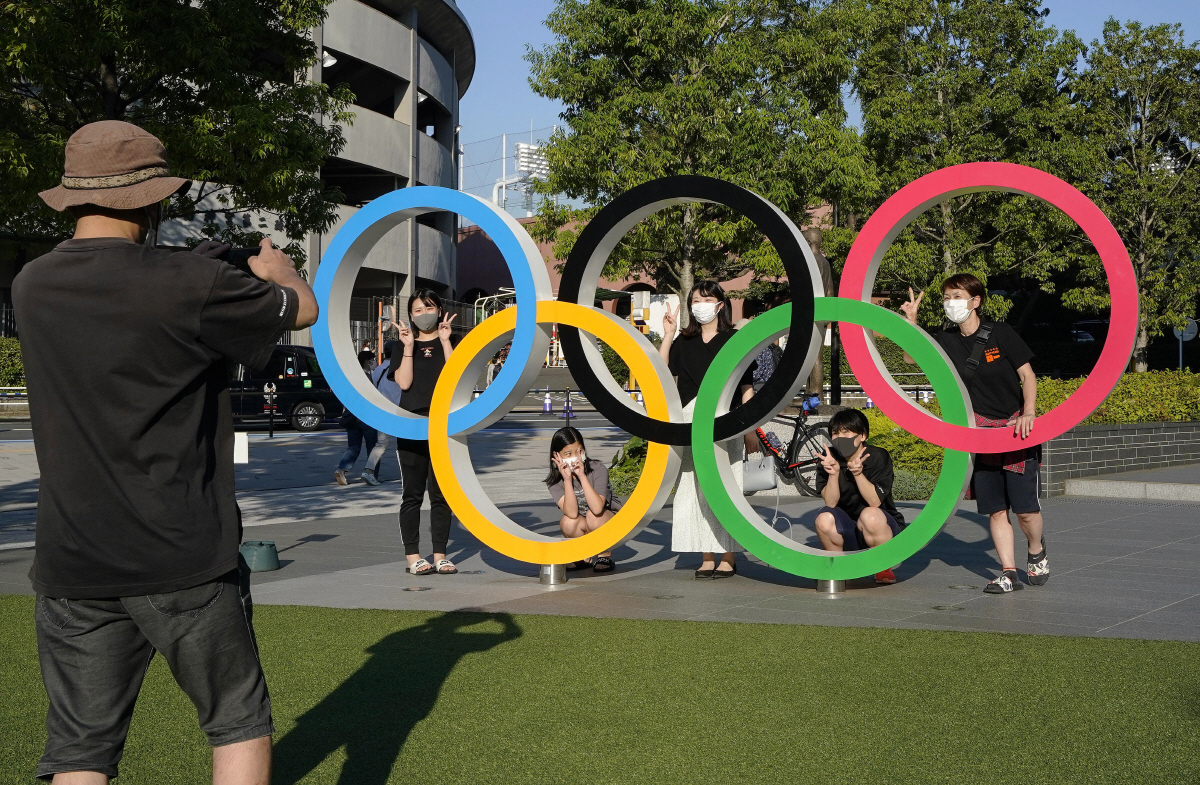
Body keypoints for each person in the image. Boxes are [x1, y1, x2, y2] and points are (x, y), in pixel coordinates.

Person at [13, 120, 318, 783]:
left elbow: (124, 310)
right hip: (182, 553)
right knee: (237, 719)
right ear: (152, 201)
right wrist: (279, 270)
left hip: (71, 557)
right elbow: (300, 311)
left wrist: (197, 272)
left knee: (79, 752)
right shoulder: (189, 283)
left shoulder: (32, 285)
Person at [901, 273, 1048, 594]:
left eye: (956, 296)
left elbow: (1028, 375)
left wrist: (1029, 411)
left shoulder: (1001, 333)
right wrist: (910, 323)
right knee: (995, 508)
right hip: (978, 434)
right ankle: (1008, 572)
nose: (949, 303)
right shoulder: (947, 339)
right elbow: (912, 357)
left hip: (1013, 430)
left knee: (1025, 511)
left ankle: (1036, 548)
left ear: (975, 301)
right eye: (946, 297)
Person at [658, 280, 758, 579]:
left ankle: (728, 555)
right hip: (691, 420)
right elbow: (662, 373)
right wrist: (667, 335)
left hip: (725, 420)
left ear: (720, 303)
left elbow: (746, 386)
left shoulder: (734, 340)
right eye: (696, 300)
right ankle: (706, 554)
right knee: (694, 487)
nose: (700, 305)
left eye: (706, 299)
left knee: (728, 486)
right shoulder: (684, 342)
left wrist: (751, 428)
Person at [387, 290, 459, 575]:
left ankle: (441, 554)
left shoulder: (451, 340)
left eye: (428, 308)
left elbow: (457, 377)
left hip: (444, 425)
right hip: (412, 424)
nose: (423, 314)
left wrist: (444, 341)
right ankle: (413, 556)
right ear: (410, 315)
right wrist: (408, 347)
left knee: (441, 494)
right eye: (417, 310)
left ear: (439, 310)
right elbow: (404, 384)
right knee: (412, 493)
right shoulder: (400, 345)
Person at [813, 409, 905, 584]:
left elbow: (874, 501)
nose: (840, 437)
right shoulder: (828, 458)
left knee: (870, 515)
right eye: (835, 433)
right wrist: (833, 474)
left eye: (846, 432)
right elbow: (830, 503)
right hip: (848, 529)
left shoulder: (877, 456)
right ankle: (838, 567)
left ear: (862, 435)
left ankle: (882, 567)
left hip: (881, 527)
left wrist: (858, 474)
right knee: (823, 518)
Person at [544, 427, 620, 572]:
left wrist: (582, 476)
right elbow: (572, 513)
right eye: (568, 453)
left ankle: (604, 554)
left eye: (580, 451)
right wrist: (567, 480)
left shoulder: (597, 469)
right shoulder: (555, 481)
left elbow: (598, 508)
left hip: (607, 520)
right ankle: (582, 555)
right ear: (557, 455)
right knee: (567, 522)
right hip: (583, 523)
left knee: (593, 516)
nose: (575, 457)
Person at [361, 340, 403, 486]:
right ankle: (408, 474)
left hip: (382, 411)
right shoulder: (400, 369)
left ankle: (368, 471)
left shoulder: (378, 369)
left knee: (381, 444)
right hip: (398, 411)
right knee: (404, 444)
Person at [333, 409, 377, 486]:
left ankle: (341, 469)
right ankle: (370, 473)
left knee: (353, 447)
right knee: (373, 448)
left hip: (351, 417)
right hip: (369, 417)